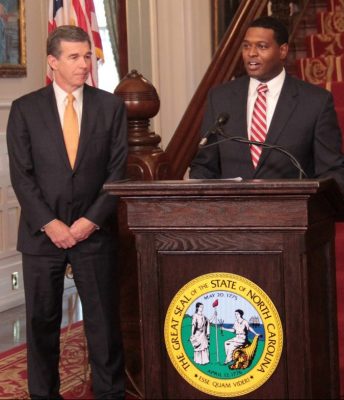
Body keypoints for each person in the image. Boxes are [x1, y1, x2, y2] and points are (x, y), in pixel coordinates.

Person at [6, 26, 128, 399]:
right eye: (74, 57)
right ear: (53, 62)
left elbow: (117, 170)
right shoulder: (25, 109)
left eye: (87, 56)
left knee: (103, 326)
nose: (84, 64)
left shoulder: (110, 106)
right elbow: (21, 176)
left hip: (96, 232)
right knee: (43, 324)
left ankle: (110, 394)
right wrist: (52, 224)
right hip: (42, 236)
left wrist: (90, 221)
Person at [189, 16, 344, 193]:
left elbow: (332, 170)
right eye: (246, 46)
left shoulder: (315, 102)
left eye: (262, 46)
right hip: (231, 214)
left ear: (283, 51)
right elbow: (204, 166)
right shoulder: (220, 97)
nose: (251, 53)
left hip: (291, 214)